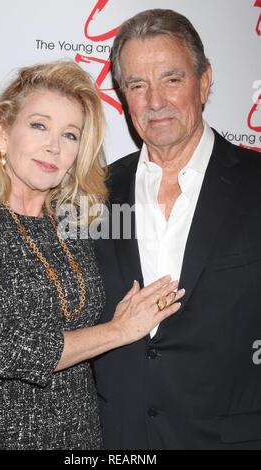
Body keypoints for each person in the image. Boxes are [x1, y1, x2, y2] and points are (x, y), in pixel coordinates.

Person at [0, 60, 184, 450]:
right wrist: (119, 330)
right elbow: (15, 351)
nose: (53, 146)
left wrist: (120, 319)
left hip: (82, 436)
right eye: (38, 126)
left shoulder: (72, 220)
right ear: (1, 134)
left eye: (70, 134)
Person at [93, 9, 261, 450]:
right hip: (118, 439)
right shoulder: (93, 194)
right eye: (137, 85)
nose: (154, 102)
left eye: (171, 79)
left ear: (204, 82)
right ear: (123, 96)